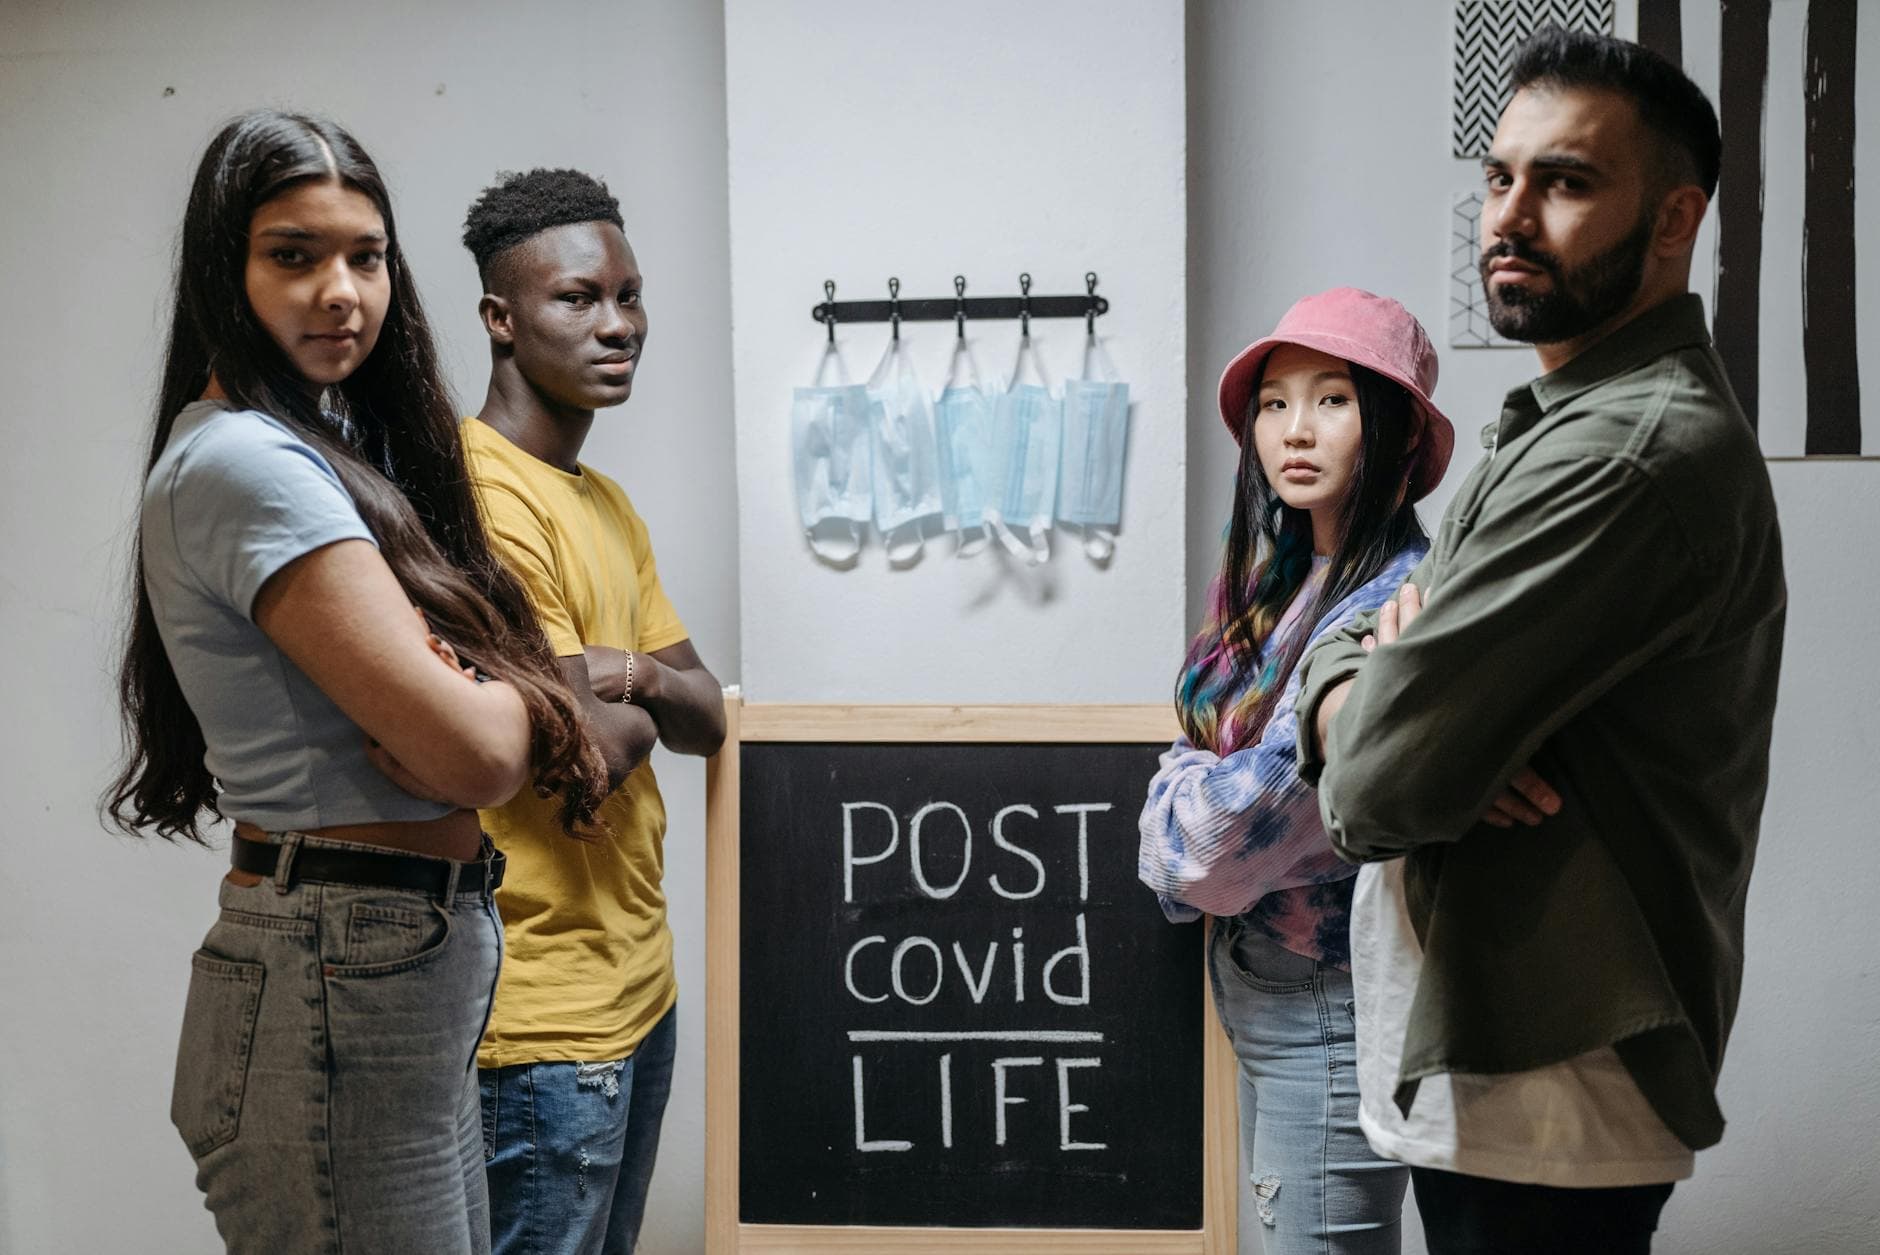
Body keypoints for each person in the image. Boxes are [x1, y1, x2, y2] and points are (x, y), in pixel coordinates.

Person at [1296, 30, 1785, 1255]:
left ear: (1674, 219)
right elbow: (1353, 645)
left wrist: (1398, 710)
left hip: (1546, 1083)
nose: (1508, 216)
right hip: (1495, 1065)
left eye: (1563, 182)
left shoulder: (1623, 452)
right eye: (1497, 176)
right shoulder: (1557, 416)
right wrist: (1370, 671)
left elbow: (1373, 782)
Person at [109, 111, 608, 1254]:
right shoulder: (247, 463)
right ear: (222, 270)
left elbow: (486, 720)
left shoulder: (319, 445)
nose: (342, 291)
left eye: (366, 256)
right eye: (294, 254)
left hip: (373, 960)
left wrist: (499, 691)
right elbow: (476, 754)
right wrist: (526, 698)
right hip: (340, 964)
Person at [1139, 288, 1454, 1254]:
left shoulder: (1397, 605)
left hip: (1330, 1007)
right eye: (1275, 404)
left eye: (1333, 400)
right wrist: (1196, 779)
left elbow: (1212, 847)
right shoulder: (1280, 578)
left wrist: (1172, 789)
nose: (1294, 431)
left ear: (1395, 433)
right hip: (1270, 992)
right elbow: (1215, 773)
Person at [458, 168, 726, 1255]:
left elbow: (708, 713)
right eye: (577, 298)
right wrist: (611, 701)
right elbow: (579, 756)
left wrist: (643, 681)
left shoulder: (604, 503)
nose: (618, 325)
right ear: (501, 319)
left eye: (629, 294)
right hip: (539, 1018)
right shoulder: (479, 494)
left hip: (637, 987)